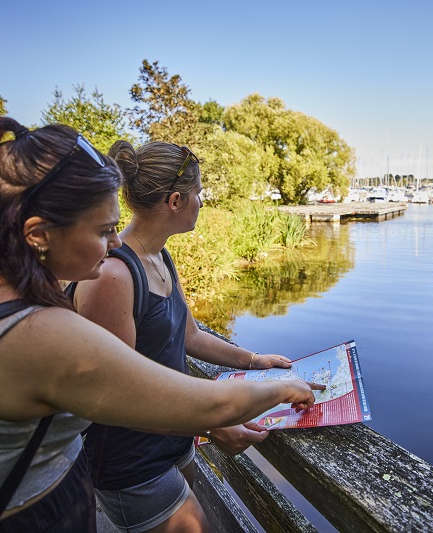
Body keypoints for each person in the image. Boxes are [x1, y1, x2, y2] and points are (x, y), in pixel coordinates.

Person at [0, 117, 323, 533]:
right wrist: (283, 388)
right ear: (38, 235)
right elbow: (202, 405)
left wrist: (253, 362)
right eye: (104, 230)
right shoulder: (40, 332)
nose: (116, 242)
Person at [70, 139, 291, 533]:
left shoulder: (160, 257)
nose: (201, 202)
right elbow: (116, 390)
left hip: (174, 439)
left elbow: (190, 335)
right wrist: (211, 424)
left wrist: (254, 360)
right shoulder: (114, 276)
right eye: (198, 194)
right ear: (175, 201)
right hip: (130, 462)